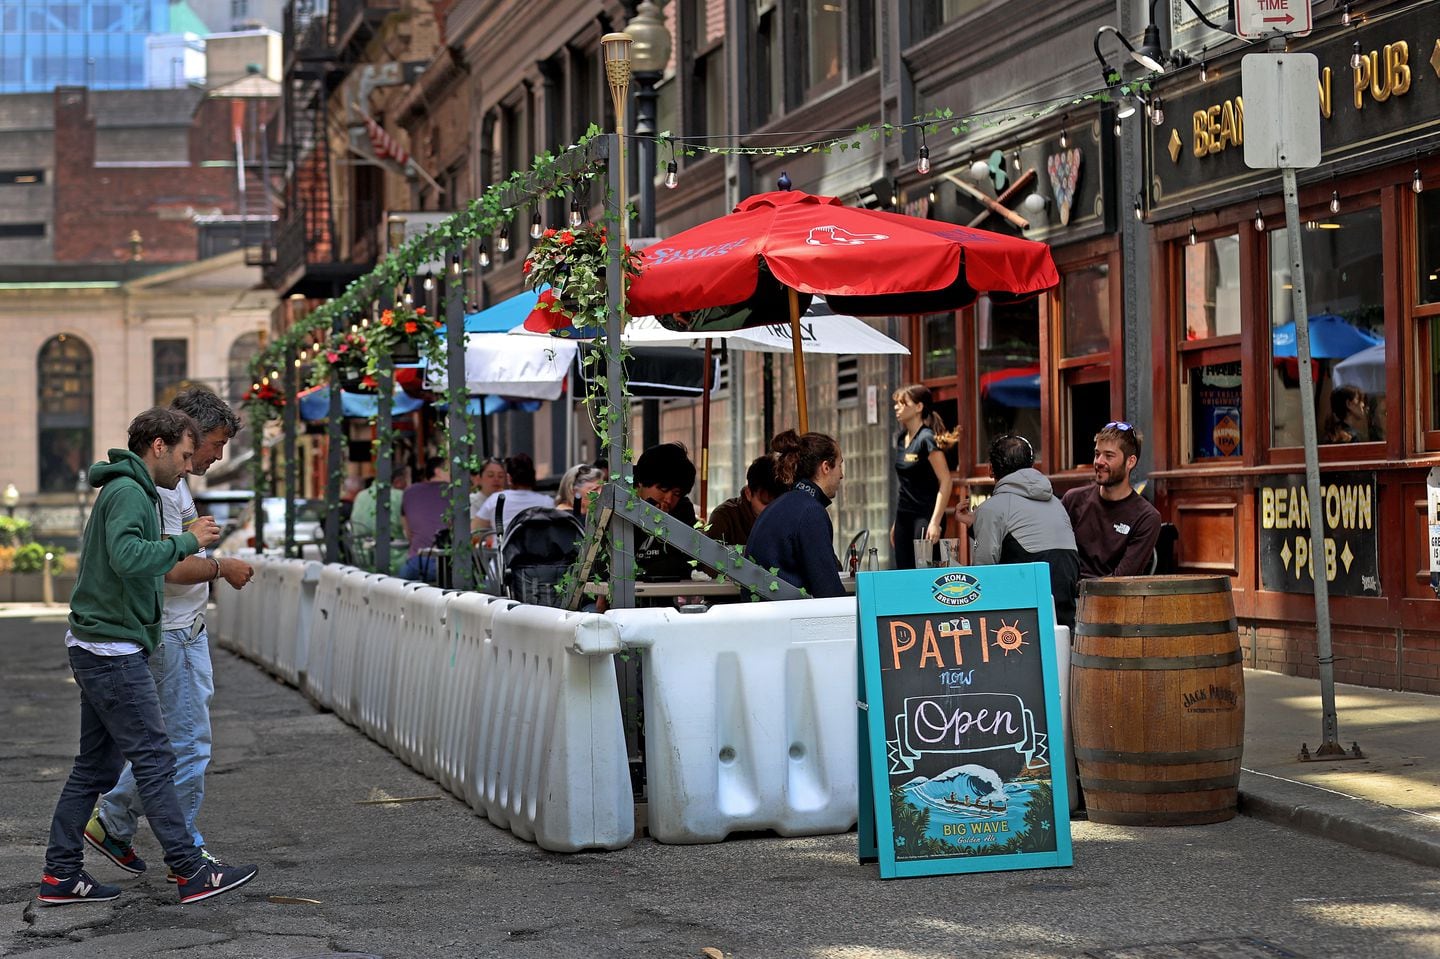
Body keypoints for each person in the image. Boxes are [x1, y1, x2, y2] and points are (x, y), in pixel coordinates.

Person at [38, 407, 258, 907]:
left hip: (103, 643)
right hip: (111, 648)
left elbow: (128, 552)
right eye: (184, 453)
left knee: (94, 768)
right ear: (157, 445)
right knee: (159, 759)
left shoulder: (127, 489)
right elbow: (130, 559)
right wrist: (190, 541)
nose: (187, 465)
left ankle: (61, 875)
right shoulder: (130, 492)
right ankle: (189, 869)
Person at [957, 434, 1080, 632]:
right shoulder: (1056, 503)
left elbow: (983, 573)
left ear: (990, 469)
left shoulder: (993, 508)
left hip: (1025, 611)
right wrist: (977, 524)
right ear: (1031, 466)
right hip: (1065, 605)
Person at [746, 430, 847, 598]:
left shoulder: (782, 504)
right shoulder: (811, 512)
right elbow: (828, 590)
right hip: (785, 615)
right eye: (840, 465)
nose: (842, 475)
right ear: (826, 467)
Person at [1062, 421, 1161, 580]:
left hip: (1111, 600)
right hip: (1066, 597)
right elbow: (1058, 559)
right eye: (1097, 454)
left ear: (1130, 461)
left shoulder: (1147, 517)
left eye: (1108, 455)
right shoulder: (1072, 500)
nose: (1099, 462)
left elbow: (1121, 581)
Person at [890, 384, 957, 569]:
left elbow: (945, 481)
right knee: (903, 570)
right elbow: (905, 485)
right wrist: (897, 522)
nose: (896, 407)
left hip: (925, 515)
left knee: (923, 570)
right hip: (904, 515)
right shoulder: (901, 438)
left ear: (919, 407)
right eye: (896, 403)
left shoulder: (926, 438)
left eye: (903, 403)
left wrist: (935, 521)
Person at [632, 442, 699, 581]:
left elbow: (687, 563)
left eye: (676, 493)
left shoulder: (682, 510)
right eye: (663, 489)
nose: (668, 499)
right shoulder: (621, 503)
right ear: (640, 483)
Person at [706, 454, 786, 547]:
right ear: (748, 493)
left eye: (778, 504)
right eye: (765, 503)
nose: (772, 511)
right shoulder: (724, 518)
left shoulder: (791, 518)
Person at [472, 453, 555, 538]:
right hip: (539, 550)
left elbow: (475, 531)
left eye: (500, 476)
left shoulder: (496, 499)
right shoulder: (547, 502)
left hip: (502, 550)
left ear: (509, 478)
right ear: (533, 476)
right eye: (490, 475)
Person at [399, 456, 450, 582]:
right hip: (443, 564)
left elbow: (408, 531)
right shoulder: (454, 492)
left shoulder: (410, 491)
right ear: (438, 471)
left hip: (414, 563)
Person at [350, 465, 410, 571]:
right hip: (393, 558)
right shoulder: (400, 496)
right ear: (398, 481)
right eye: (407, 480)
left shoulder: (360, 495)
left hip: (362, 557)